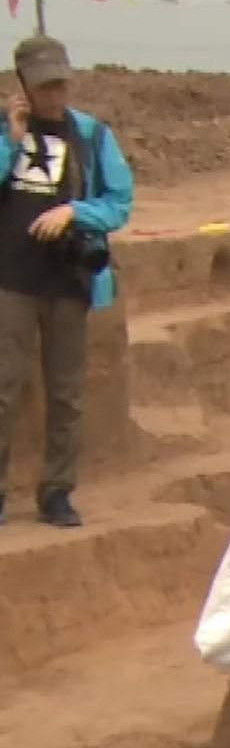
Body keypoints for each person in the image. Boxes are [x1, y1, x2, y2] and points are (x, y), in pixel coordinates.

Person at [0, 36, 133, 528]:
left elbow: (119, 202)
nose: (53, 95)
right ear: (23, 87)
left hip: (68, 280)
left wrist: (73, 211)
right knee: (4, 386)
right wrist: (10, 143)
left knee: (66, 391)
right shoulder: (5, 132)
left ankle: (57, 491)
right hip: (11, 277)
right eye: (43, 86)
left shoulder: (92, 136)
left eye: (59, 83)